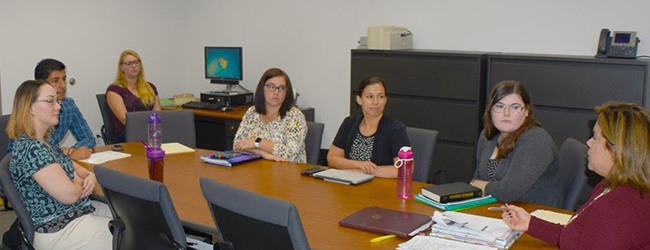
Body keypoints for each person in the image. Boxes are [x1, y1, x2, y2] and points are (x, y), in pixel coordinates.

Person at [503, 102, 650, 249]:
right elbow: (577, 236)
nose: (589, 142)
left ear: (616, 149)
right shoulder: (610, 186)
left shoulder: (617, 208)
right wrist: (530, 223)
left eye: (595, 137)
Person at [7, 80, 112, 249]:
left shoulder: (46, 141)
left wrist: (89, 176)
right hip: (60, 230)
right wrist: (78, 179)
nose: (58, 107)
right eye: (50, 101)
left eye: (57, 101)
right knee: (131, 234)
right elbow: (70, 195)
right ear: (30, 107)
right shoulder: (31, 148)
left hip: (76, 213)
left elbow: (74, 167)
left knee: (130, 218)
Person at [470, 80, 562, 208]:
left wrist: (479, 184)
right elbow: (477, 179)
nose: (506, 113)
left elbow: (507, 192)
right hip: (498, 209)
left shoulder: (536, 140)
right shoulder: (487, 136)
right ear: (490, 110)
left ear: (527, 111)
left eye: (515, 107)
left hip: (531, 215)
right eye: (499, 106)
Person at [7, 59, 95, 160]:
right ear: (41, 85)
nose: (63, 85)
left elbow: (88, 138)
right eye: (55, 80)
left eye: (64, 79)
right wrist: (66, 155)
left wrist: (73, 150)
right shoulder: (30, 110)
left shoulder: (68, 105)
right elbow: (18, 155)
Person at [327, 76, 410, 178]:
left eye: (380, 97)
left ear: (385, 100)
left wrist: (365, 172)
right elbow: (332, 158)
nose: (375, 102)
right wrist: (358, 165)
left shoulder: (395, 128)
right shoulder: (349, 122)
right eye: (369, 96)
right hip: (349, 184)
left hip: (380, 187)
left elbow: (405, 168)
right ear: (359, 99)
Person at [233, 68, 307, 162]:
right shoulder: (252, 112)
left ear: (286, 92)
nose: (276, 92)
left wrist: (257, 142)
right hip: (256, 171)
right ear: (262, 88)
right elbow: (237, 146)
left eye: (281, 88)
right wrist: (264, 154)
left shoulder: (295, 116)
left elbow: (290, 155)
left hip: (287, 172)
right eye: (271, 86)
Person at [106, 50, 161, 143]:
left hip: (150, 130)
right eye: (129, 63)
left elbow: (158, 113)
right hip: (127, 133)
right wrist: (151, 122)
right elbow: (125, 120)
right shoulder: (114, 90)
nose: (134, 66)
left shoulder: (150, 87)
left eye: (136, 62)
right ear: (121, 68)